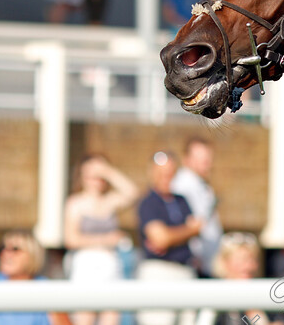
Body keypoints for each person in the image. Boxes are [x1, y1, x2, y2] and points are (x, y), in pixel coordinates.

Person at [64, 154, 139, 325]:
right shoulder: (75, 203)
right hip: (86, 267)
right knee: (84, 318)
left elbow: (133, 193)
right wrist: (106, 240)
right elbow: (71, 239)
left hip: (111, 266)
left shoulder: (110, 201)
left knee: (111, 317)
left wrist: (109, 172)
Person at [136, 151, 202, 325]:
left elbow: (198, 227)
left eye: (170, 173)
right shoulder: (149, 202)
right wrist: (187, 231)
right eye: (162, 173)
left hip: (184, 270)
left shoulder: (181, 200)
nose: (166, 177)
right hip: (159, 273)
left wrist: (172, 235)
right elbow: (161, 239)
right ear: (152, 173)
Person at [195, 232, 284, 325]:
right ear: (224, 262)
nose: (249, 266)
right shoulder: (211, 297)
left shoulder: (266, 297)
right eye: (242, 259)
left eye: (253, 260)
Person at [170, 137, 223, 277]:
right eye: (200, 158)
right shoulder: (183, 185)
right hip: (196, 263)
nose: (207, 163)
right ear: (186, 159)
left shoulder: (201, 185)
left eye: (208, 158)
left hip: (207, 261)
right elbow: (188, 225)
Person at [0, 230, 72, 325]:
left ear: (32, 254)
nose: (6, 254)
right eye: (3, 248)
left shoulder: (46, 289)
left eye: (15, 249)